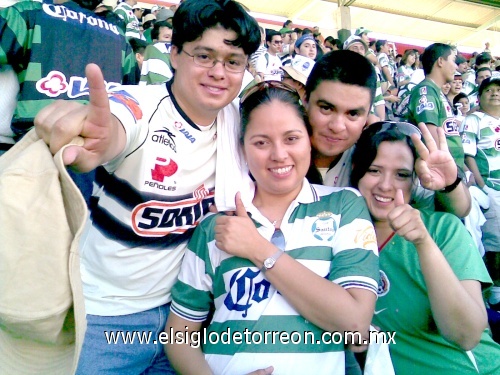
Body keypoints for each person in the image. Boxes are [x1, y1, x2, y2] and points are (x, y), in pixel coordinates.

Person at [34, 0, 261, 372]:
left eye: (233, 62)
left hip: (187, 319)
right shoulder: (140, 105)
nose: (219, 72)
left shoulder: (240, 125)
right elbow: (114, 127)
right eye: (204, 55)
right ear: (174, 54)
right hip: (106, 320)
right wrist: (96, 140)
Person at [165, 82, 379, 375]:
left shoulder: (344, 205)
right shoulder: (216, 226)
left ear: (309, 140)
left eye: (291, 138)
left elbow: (355, 324)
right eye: (261, 142)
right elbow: (179, 336)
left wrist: (258, 249)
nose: (279, 155)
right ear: (242, 149)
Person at [350, 121, 500, 374]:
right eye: (374, 170)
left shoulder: (443, 230)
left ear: (416, 181)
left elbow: (466, 335)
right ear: (357, 170)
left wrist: (423, 243)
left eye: (401, 174)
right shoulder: (340, 237)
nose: (385, 185)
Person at [305, 50, 471, 217]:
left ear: (368, 115)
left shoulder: (373, 154)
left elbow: (460, 210)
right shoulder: (282, 152)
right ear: (305, 100)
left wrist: (449, 185)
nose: (338, 126)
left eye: (353, 114)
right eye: (326, 108)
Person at [462, 77, 500, 320]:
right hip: (492, 188)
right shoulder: (474, 120)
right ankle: (494, 293)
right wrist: (483, 184)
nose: (495, 94)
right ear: (480, 96)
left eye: (498, 90)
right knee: (495, 242)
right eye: (489, 90)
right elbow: (468, 154)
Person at [407, 43, 465, 171]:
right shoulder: (426, 90)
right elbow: (431, 136)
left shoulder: (437, 92)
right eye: (453, 60)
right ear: (440, 61)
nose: (456, 66)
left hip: (454, 169)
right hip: (443, 172)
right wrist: (450, 172)